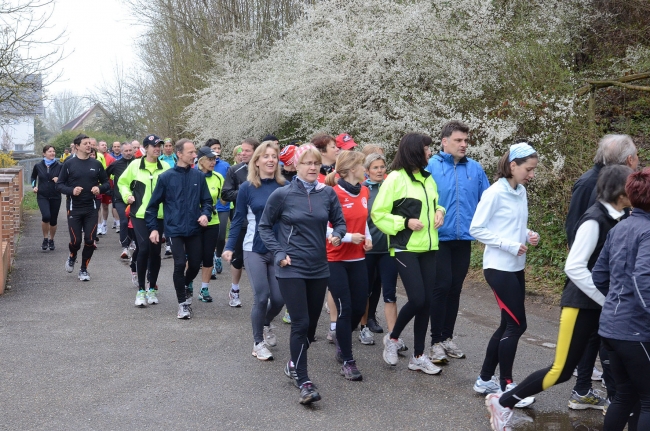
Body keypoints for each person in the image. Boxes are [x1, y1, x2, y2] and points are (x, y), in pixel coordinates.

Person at [485, 165, 632, 431]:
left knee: (622, 361)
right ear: (619, 190)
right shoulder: (594, 219)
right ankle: (502, 401)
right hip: (581, 304)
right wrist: (606, 300)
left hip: (603, 305)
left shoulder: (622, 216)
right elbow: (574, 267)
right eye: (631, 185)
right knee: (561, 370)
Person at [258, 144, 346, 404]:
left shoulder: (327, 193)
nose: (312, 168)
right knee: (300, 323)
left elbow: (338, 222)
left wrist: (338, 235)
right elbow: (264, 227)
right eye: (307, 163)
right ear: (295, 166)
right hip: (291, 266)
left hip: (318, 267)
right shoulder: (282, 195)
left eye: (316, 163)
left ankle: (292, 364)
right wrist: (278, 252)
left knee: (309, 329)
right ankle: (303, 380)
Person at [564, 134, 638, 401]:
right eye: (636, 157)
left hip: (603, 275)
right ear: (629, 160)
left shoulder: (615, 193)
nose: (638, 161)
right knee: (590, 342)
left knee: (598, 338)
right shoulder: (588, 184)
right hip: (590, 275)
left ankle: (593, 390)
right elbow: (576, 229)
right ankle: (585, 389)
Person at [469, 142, 539, 399]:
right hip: (498, 268)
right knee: (517, 325)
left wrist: (529, 234)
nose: (531, 175)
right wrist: (508, 245)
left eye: (533, 170)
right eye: (528, 169)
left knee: (508, 324)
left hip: (515, 267)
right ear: (513, 165)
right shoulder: (494, 193)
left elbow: (513, 225)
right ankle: (506, 387)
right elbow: (476, 229)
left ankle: (484, 379)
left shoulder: (520, 191)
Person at [371, 132, 445, 375]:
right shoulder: (394, 179)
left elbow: (435, 202)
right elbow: (378, 214)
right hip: (406, 248)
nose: (430, 152)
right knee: (419, 299)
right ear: (415, 150)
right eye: (426, 148)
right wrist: (405, 222)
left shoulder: (428, 178)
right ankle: (393, 339)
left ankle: (418, 356)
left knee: (426, 303)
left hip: (429, 247)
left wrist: (440, 211)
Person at [426, 120, 489, 363]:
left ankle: (447, 337)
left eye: (466, 140)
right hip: (438, 238)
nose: (464, 144)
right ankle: (435, 342)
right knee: (441, 287)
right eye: (458, 140)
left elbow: (488, 201)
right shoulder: (430, 166)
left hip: (464, 238)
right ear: (445, 142)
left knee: (455, 288)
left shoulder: (475, 169)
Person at [592, 167, 650, 431]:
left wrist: (617, 302)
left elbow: (599, 276)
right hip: (635, 331)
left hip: (610, 328)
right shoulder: (647, 232)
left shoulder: (619, 228)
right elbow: (643, 280)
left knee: (626, 396)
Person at [223, 141, 286, 361]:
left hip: (278, 251)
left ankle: (266, 322)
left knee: (279, 299)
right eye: (266, 156)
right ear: (256, 161)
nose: (270, 160)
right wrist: (230, 246)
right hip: (254, 249)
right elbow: (239, 219)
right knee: (262, 296)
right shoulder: (247, 188)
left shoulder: (285, 186)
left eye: (274, 156)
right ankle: (258, 342)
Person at [146, 139, 212, 319]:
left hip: (194, 228)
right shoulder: (166, 177)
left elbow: (207, 202)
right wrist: (153, 229)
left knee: (195, 264)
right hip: (174, 229)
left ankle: (185, 284)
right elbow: (152, 207)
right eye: (190, 152)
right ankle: (182, 304)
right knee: (180, 264)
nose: (194, 155)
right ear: (179, 154)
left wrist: (206, 214)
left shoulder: (198, 176)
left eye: (194, 152)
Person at [325, 150, 371, 380]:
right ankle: (348, 360)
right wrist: (347, 237)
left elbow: (363, 220)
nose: (366, 169)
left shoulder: (364, 190)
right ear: (352, 169)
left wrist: (367, 236)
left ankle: (342, 341)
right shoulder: (331, 194)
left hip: (358, 258)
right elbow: (323, 228)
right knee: (344, 308)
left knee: (359, 306)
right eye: (363, 165)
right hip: (335, 259)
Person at [118, 135, 170, 306]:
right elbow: (122, 182)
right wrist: (127, 196)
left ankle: (152, 287)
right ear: (145, 148)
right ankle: (141, 290)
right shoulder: (135, 165)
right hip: (139, 214)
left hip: (159, 215)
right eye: (154, 146)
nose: (157, 149)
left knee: (155, 252)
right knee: (144, 248)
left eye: (159, 146)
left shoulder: (166, 167)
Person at [56, 134, 110, 281]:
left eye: (90, 143)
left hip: (91, 208)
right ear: (77, 146)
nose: (89, 146)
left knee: (90, 240)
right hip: (74, 208)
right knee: (76, 241)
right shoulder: (69, 164)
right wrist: (71, 190)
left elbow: (106, 183)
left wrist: (99, 188)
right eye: (85, 143)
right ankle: (72, 255)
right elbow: (59, 185)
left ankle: (84, 269)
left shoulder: (96, 164)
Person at [360, 153, 400, 344]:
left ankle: (394, 336)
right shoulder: (363, 190)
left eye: (382, 167)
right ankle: (363, 327)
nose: (379, 170)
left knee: (390, 292)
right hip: (368, 248)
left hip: (388, 248)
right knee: (365, 290)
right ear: (366, 171)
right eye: (375, 168)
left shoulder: (391, 187)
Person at [222, 138, 259, 307]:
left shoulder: (266, 171)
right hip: (242, 221)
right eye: (241, 151)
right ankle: (235, 289)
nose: (242, 154)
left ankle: (261, 296)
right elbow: (225, 194)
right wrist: (245, 193)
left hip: (262, 223)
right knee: (238, 259)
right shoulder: (235, 170)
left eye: (247, 151)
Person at [194, 146, 224, 302]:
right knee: (192, 257)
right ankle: (187, 285)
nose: (213, 162)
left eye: (214, 159)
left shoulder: (218, 177)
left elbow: (223, 197)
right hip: (193, 222)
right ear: (201, 161)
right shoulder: (192, 176)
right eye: (210, 159)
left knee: (207, 256)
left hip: (213, 221)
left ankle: (204, 289)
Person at [204, 138, 230, 278]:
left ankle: (218, 256)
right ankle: (211, 262)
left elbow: (230, 184)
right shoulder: (200, 168)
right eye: (214, 148)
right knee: (209, 237)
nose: (217, 151)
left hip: (223, 206)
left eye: (219, 148)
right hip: (207, 208)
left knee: (221, 237)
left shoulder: (225, 166)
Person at [106, 142, 136, 259]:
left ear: (133, 151)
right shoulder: (116, 164)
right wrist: (108, 188)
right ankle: (125, 247)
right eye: (126, 151)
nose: (128, 153)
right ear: (121, 152)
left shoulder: (138, 163)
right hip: (119, 198)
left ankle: (132, 241)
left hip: (134, 198)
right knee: (124, 221)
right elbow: (104, 175)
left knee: (133, 222)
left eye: (130, 151)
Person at [31, 145, 62, 251]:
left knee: (53, 220)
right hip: (42, 195)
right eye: (50, 151)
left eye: (53, 151)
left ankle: (51, 240)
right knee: (46, 216)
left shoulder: (59, 166)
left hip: (55, 195)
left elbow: (65, 179)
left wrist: (59, 179)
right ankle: (45, 238)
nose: (52, 153)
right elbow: (33, 177)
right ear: (44, 153)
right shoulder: (38, 166)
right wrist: (34, 186)